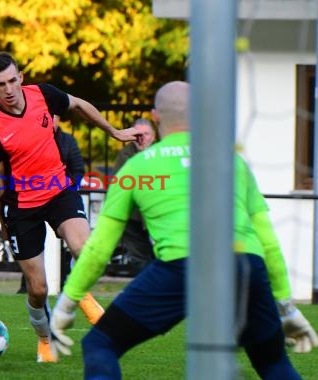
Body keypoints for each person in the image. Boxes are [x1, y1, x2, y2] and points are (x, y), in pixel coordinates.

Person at [51, 81, 310, 379]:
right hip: (245, 267)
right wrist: (286, 307)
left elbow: (98, 248)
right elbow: (267, 240)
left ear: (155, 117)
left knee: (100, 344)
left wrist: (68, 301)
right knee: (273, 362)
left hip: (181, 267)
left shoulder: (136, 168)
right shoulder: (234, 163)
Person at [0, 51, 139, 363]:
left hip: (59, 191)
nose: (8, 89)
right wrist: (3, 222)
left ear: (20, 76)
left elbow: (78, 104)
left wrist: (113, 132)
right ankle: (45, 340)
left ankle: (80, 297)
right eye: (0, 84)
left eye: (12, 80)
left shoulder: (43, 95)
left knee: (87, 250)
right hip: (21, 206)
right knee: (37, 289)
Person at [16, 122, 85, 294]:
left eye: (54, 116)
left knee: (77, 245)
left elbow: (78, 169)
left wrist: (68, 186)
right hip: (31, 198)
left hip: (61, 197)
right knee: (32, 249)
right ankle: (28, 286)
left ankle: (66, 281)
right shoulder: (26, 137)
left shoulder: (67, 140)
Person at [111, 118, 157, 276]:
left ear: (154, 135)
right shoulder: (125, 154)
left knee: (161, 255)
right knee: (139, 258)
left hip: (157, 213)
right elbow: (121, 184)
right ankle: (149, 290)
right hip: (133, 215)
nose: (142, 138)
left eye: (146, 134)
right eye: (138, 134)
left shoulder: (161, 152)